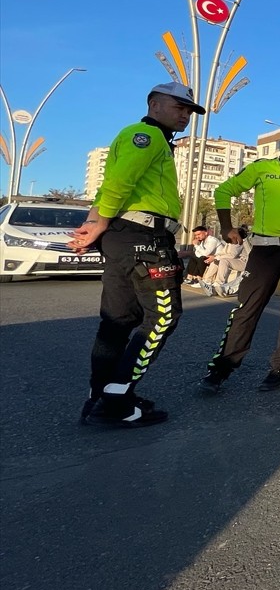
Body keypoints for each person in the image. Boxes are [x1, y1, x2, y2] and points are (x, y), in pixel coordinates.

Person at [70, 81, 204, 428]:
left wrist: (94, 224)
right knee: (163, 317)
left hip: (125, 237)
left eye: (189, 110)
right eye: (179, 107)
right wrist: (97, 226)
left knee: (118, 320)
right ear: (154, 104)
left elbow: (110, 184)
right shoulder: (145, 136)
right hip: (142, 238)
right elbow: (118, 183)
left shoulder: (149, 139)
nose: (185, 115)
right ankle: (115, 398)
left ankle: (101, 395)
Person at [198, 124, 280, 393]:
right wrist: (225, 226)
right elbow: (224, 191)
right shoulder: (261, 169)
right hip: (265, 250)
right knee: (247, 308)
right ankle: (222, 368)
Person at [201, 227, 250, 296]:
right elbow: (223, 252)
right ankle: (207, 281)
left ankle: (218, 284)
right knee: (216, 260)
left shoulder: (239, 241)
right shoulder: (230, 241)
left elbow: (232, 255)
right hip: (237, 260)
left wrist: (216, 257)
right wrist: (214, 257)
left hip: (245, 263)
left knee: (224, 261)